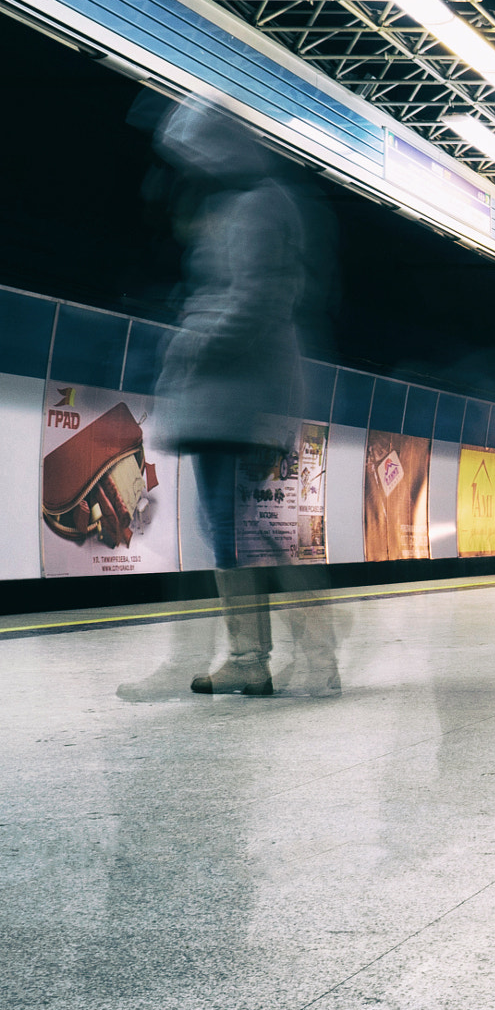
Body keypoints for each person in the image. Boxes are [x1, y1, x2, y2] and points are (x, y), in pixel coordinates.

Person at [148, 98, 337, 697]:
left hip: (238, 395)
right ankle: (279, 656)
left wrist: (192, 345)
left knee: (238, 531)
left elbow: (254, 299)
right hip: (235, 397)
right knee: (242, 530)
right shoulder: (246, 203)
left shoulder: (254, 206)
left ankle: (270, 658)